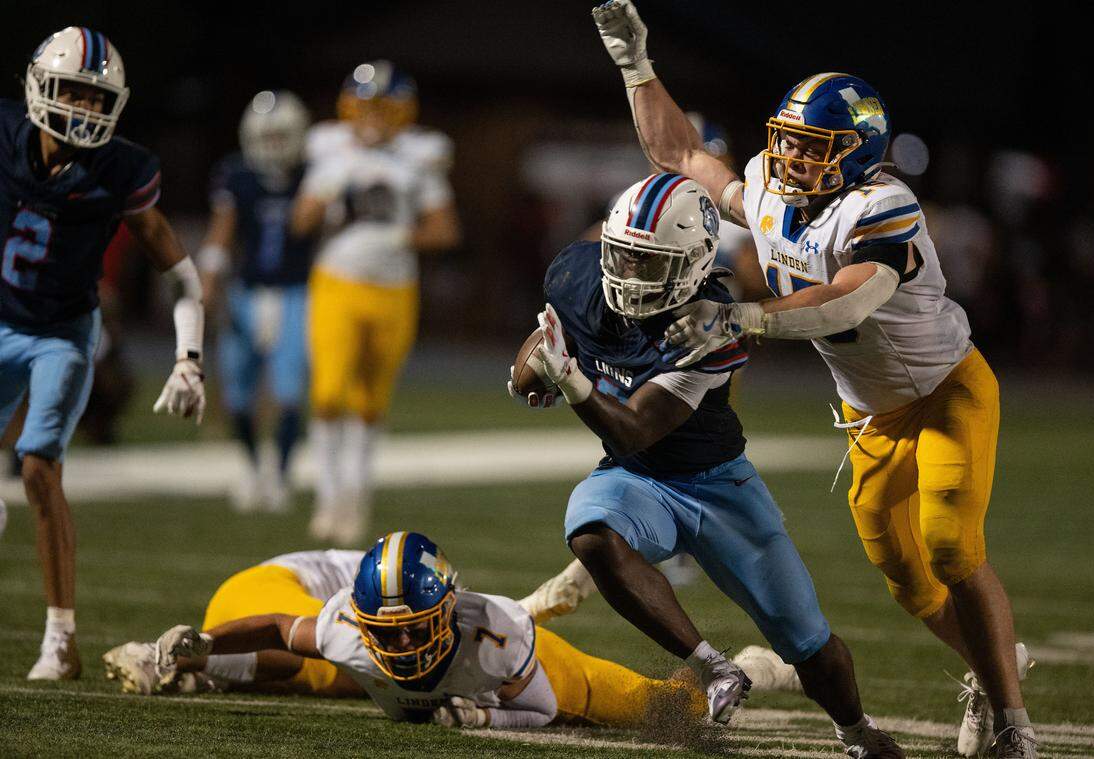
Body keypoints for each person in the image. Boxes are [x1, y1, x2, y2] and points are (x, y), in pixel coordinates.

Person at [591, 3, 1035, 757]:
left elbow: (848, 300)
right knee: (909, 583)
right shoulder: (769, 192)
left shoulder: (882, 204)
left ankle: (1015, 725)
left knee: (950, 548)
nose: (792, 158)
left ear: (859, 153)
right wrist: (637, 67)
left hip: (946, 393)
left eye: (813, 147)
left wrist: (744, 318)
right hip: (868, 416)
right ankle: (994, 666)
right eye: (789, 141)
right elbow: (683, 153)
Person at [514, 173, 902, 756]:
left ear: (693, 263)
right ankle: (712, 666)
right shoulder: (577, 276)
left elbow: (634, 426)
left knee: (807, 643)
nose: (628, 274)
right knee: (591, 532)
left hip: (719, 489)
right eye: (623, 255)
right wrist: (534, 365)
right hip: (636, 478)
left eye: (649, 263)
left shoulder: (710, 326)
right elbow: (550, 337)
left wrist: (568, 379)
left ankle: (856, 731)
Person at [104, 533, 796, 730]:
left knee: (653, 707)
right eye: (388, 633)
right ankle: (186, 667)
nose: (401, 644)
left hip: (496, 651)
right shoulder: (346, 629)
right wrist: (203, 645)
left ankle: (757, 666)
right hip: (298, 591)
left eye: (414, 630)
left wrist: (484, 718)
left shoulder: (492, 641)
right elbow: (281, 627)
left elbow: (543, 707)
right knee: (305, 664)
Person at [0, 27, 205, 680]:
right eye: (73, 94)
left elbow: (179, 272)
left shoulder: (122, 169)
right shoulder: (6, 136)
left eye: (96, 99)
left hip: (63, 331)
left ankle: (60, 638)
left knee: (38, 468)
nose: (85, 110)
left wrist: (189, 357)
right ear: (39, 87)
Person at [292, 62, 461, 546]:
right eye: (367, 107)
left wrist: (403, 236)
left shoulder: (417, 159)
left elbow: (446, 230)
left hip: (394, 289)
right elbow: (299, 224)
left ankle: (356, 494)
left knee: (370, 401)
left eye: (385, 108)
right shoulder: (330, 152)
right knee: (328, 393)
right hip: (336, 282)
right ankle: (328, 496)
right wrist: (326, 192)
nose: (375, 117)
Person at [199, 90, 313, 512]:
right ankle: (252, 468)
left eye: (281, 137)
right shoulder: (237, 175)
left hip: (297, 291)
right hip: (245, 292)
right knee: (238, 396)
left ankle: (280, 475)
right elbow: (222, 232)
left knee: (288, 393)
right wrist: (209, 282)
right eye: (266, 137)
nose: (273, 146)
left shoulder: (313, 175)